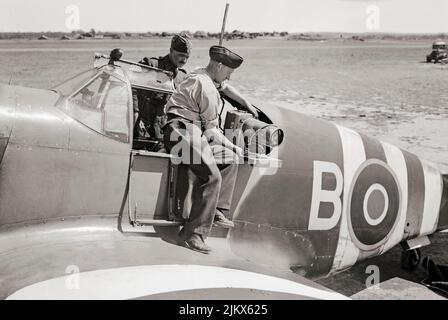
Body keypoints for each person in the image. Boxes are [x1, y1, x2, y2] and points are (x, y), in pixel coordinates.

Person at [163, 45, 256, 254]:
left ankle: (217, 211)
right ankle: (191, 235)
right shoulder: (206, 88)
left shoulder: (200, 74)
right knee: (212, 176)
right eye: (229, 72)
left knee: (229, 158)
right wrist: (237, 147)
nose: (230, 78)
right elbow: (212, 133)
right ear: (220, 65)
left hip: (190, 132)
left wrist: (245, 102)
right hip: (179, 132)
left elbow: (224, 87)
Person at [133, 33, 192, 141]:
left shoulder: (182, 77)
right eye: (180, 55)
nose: (184, 60)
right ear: (171, 50)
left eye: (187, 57)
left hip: (162, 132)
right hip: (139, 127)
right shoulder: (151, 65)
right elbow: (131, 86)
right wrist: (134, 112)